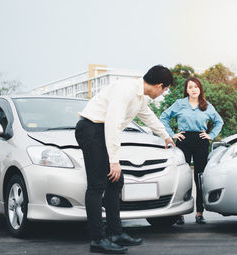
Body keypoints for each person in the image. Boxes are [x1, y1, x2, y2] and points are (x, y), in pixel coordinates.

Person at [75, 65, 175, 254]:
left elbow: (148, 116)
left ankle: (115, 233)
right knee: (97, 185)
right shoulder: (126, 90)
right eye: (165, 90)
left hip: (99, 131)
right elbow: (112, 124)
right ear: (159, 85)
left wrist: (165, 135)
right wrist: (114, 161)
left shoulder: (139, 96)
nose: (163, 94)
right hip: (91, 129)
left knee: (115, 181)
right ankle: (97, 239)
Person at [160, 77, 223, 225]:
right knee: (182, 177)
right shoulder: (180, 104)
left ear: (200, 89)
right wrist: (171, 134)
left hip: (201, 141)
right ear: (186, 90)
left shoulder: (207, 106)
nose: (193, 89)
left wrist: (211, 135)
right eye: (190, 87)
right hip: (184, 140)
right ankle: (179, 213)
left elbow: (219, 122)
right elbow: (164, 117)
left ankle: (199, 213)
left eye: (196, 87)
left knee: (199, 177)